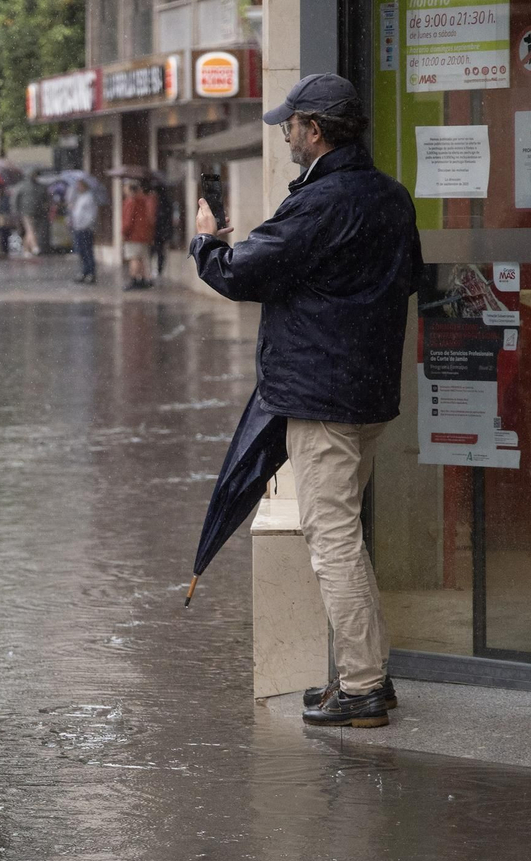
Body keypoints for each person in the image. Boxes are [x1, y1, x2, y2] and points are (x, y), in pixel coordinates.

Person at [191, 72, 424, 729]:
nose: (286, 134)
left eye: (290, 125)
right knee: (344, 533)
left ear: (314, 130)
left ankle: (361, 686)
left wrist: (207, 241)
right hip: (370, 392)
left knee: (332, 540)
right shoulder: (391, 196)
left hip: (324, 398)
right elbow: (406, 278)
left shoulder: (320, 203)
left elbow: (242, 272)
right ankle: (367, 672)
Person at [120, 179, 156, 290]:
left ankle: (134, 279)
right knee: (141, 258)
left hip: (133, 236)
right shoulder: (144, 200)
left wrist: (124, 233)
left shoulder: (131, 201)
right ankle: (144, 279)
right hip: (144, 235)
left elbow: (128, 221)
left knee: (134, 258)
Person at [68, 178, 97, 284]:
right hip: (78, 228)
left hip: (85, 228)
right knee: (81, 251)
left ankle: (91, 273)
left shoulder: (89, 198)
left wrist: (86, 224)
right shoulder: (79, 197)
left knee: (87, 251)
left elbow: (91, 214)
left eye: (80, 185)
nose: (78, 188)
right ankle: (84, 271)